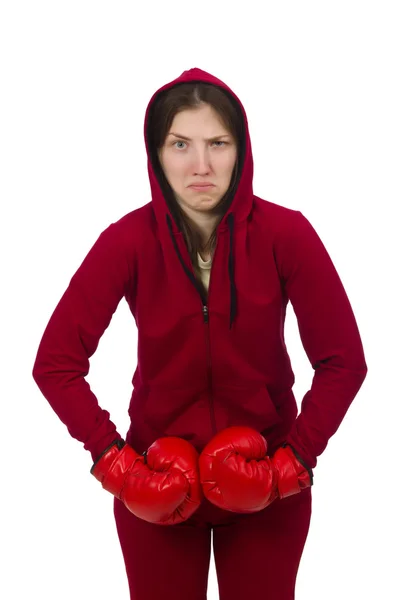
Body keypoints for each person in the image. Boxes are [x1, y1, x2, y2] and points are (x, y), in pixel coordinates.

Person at [32, 67, 368, 600]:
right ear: (156, 153)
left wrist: (294, 463)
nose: (201, 165)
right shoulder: (126, 241)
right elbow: (55, 363)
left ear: (242, 149)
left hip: (267, 488)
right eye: (180, 144)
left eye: (218, 143)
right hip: (156, 485)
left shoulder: (289, 235)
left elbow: (343, 361)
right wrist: (116, 465)